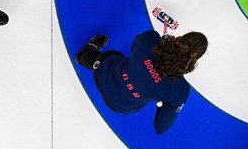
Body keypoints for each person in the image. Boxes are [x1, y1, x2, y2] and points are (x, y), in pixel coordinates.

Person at [75, 29, 208, 135]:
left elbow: (133, 47)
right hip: (122, 105)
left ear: (179, 38)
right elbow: (161, 128)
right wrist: (164, 100)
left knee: (111, 57)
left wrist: (158, 50)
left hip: (105, 74)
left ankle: (82, 56)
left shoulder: (151, 40)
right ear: (193, 63)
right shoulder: (180, 91)